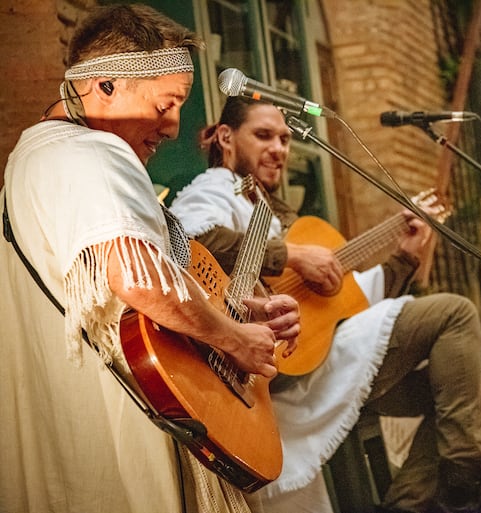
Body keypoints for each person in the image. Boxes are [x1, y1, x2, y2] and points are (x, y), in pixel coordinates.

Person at [0, 5, 299, 513]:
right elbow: (137, 279)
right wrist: (232, 339)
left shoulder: (36, 158)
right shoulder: (93, 152)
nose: (174, 126)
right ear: (107, 85)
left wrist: (236, 313)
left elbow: (129, 290)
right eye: (166, 103)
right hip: (130, 435)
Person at [169, 97, 481, 513]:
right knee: (454, 312)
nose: (279, 149)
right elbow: (195, 243)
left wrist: (406, 258)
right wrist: (292, 257)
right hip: (274, 368)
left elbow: (348, 300)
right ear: (225, 137)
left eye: (286, 139)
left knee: (465, 391)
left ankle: (409, 505)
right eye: (264, 135)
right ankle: (466, 478)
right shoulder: (211, 189)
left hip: (323, 358)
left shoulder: (270, 210)